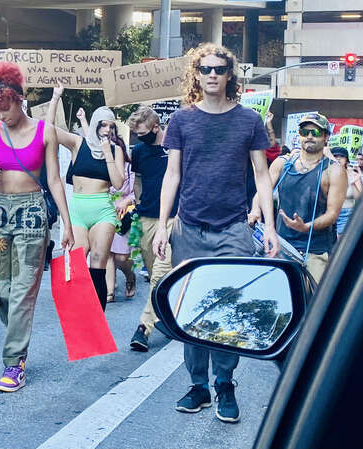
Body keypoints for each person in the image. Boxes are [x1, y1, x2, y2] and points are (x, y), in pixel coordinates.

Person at [152, 43, 279, 423]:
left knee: (228, 311)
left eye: (219, 70)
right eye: (205, 69)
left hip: (233, 229)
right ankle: (198, 386)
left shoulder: (248, 122)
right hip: (189, 227)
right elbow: (171, 175)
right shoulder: (182, 121)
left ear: (229, 76)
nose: (211, 75)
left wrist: (270, 227)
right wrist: (163, 225)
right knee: (190, 309)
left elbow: (260, 175)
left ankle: (225, 383)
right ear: (196, 74)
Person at [0, 62, 73, 392]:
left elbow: (55, 180)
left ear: (19, 99)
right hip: (1, 215)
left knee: (22, 289)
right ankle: (17, 333)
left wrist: (66, 225)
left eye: (4, 109)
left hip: (32, 214)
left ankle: (14, 362)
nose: (1, 116)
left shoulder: (45, 131)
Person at [46, 86, 126, 309]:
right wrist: (55, 97)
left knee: (98, 264)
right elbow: (49, 129)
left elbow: (118, 184)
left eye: (111, 125)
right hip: (78, 209)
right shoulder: (78, 143)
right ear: (95, 124)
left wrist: (109, 153)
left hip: (102, 209)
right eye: (103, 124)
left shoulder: (116, 149)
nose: (107, 129)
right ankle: (80, 314)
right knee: (76, 264)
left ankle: (97, 318)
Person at [250, 114, 346, 282]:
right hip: (281, 248)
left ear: (326, 137)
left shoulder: (334, 171)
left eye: (315, 132)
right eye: (304, 131)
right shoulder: (283, 163)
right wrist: (255, 209)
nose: (309, 136)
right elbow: (263, 190)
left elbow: (332, 214)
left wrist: (306, 227)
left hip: (315, 253)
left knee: (314, 303)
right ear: (299, 135)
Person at [125, 106, 178, 353]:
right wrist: (137, 201)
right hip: (146, 218)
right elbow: (137, 178)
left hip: (171, 220)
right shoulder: (139, 151)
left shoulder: (175, 147)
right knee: (156, 277)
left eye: (143, 132)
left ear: (156, 127)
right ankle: (168, 316)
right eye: (136, 133)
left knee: (159, 274)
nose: (140, 137)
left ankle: (143, 328)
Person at [106, 161, 136, 303]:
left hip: (124, 215)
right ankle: (109, 292)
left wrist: (126, 201)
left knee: (121, 256)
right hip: (105, 210)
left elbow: (136, 191)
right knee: (107, 253)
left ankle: (130, 276)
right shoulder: (103, 164)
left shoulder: (129, 166)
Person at [331, 147, 361, 237]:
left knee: (341, 245)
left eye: (341, 156)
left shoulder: (353, 174)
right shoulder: (325, 173)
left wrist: (353, 183)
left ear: (347, 160)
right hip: (328, 213)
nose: (338, 158)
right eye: (335, 156)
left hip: (346, 213)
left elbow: (359, 199)